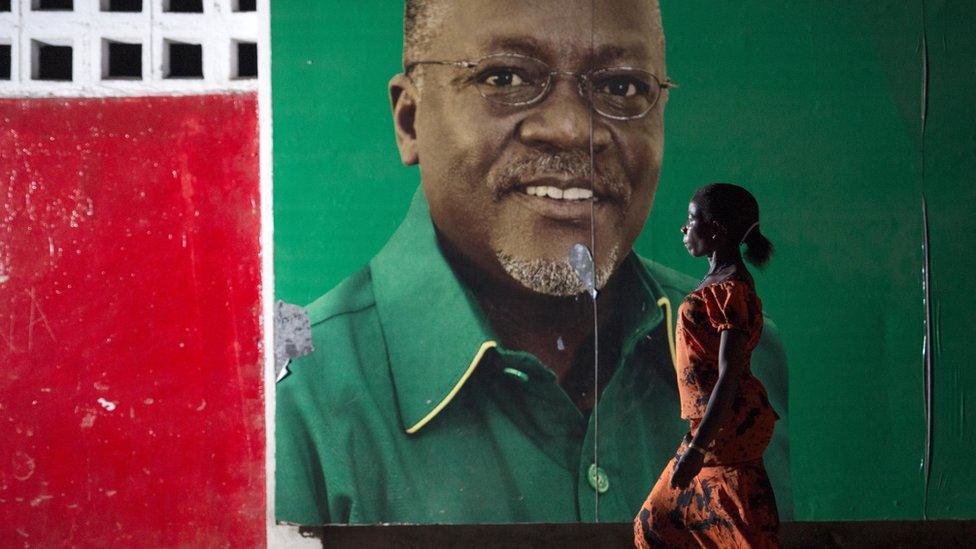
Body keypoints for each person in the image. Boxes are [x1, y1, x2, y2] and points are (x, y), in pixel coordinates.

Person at [275, 0, 790, 524]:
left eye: (621, 86)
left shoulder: (748, 348)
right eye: (504, 76)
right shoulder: (292, 400)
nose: (571, 129)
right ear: (410, 120)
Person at [634, 183, 781, 548]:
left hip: (726, 436)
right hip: (709, 433)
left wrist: (697, 451)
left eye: (691, 220)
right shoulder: (716, 283)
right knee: (654, 526)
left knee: (733, 533)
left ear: (716, 230)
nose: (684, 229)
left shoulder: (732, 289)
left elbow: (730, 373)